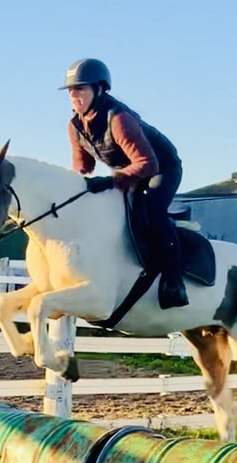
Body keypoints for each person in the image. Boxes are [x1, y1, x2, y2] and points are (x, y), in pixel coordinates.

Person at [60, 58, 189, 309]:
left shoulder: (118, 119)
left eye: (81, 89)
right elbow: (83, 168)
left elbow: (147, 164)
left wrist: (111, 180)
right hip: (130, 169)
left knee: (151, 210)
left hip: (162, 168)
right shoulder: (75, 126)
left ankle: (174, 282)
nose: (74, 96)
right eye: (71, 91)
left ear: (99, 89)